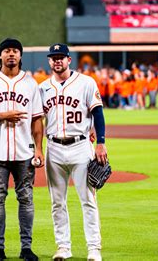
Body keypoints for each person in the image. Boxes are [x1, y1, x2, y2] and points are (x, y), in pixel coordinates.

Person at [0, 38, 44, 261]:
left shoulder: (30, 83)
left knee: (26, 199)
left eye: (15, 51)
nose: (11, 54)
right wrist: (2, 115)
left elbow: (37, 119)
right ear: (0, 56)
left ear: (21, 55)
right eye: (7, 51)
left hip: (24, 151)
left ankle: (26, 248)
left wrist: (39, 149)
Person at [39, 44, 107, 261]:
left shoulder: (86, 83)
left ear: (69, 60)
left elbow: (98, 112)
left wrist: (101, 142)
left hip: (80, 146)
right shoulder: (42, 88)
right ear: (49, 62)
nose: (57, 61)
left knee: (88, 200)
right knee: (57, 202)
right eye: (53, 58)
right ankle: (63, 247)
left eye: (61, 57)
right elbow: (37, 122)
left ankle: (94, 248)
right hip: (54, 148)